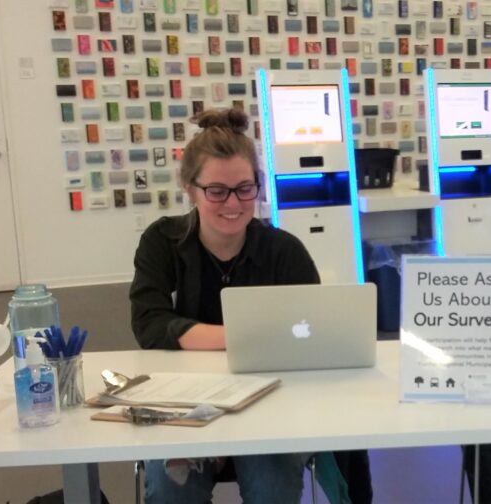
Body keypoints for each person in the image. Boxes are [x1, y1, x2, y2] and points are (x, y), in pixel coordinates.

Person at [129, 108, 351, 503]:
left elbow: (314, 330)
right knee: (169, 487)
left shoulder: (283, 251)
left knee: (273, 485)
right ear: (190, 187)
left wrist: (207, 336)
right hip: (183, 401)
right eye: (217, 191)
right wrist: (248, 337)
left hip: (270, 401)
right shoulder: (161, 243)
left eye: (245, 188)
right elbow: (150, 325)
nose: (232, 203)